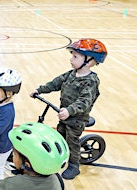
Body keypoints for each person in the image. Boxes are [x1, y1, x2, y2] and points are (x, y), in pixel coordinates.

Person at [29, 38, 107, 180]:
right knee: (59, 136)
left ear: (89, 61)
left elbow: (84, 102)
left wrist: (69, 110)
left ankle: (74, 165)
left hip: (76, 119)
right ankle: (59, 156)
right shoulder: (71, 74)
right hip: (64, 115)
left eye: (75, 56)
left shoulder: (90, 81)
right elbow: (55, 83)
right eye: (72, 55)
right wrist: (39, 90)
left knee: (72, 141)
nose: (71, 59)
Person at [0, 122, 69, 190]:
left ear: (27, 164)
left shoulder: (9, 185)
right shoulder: (55, 179)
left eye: (14, 154)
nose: (12, 156)